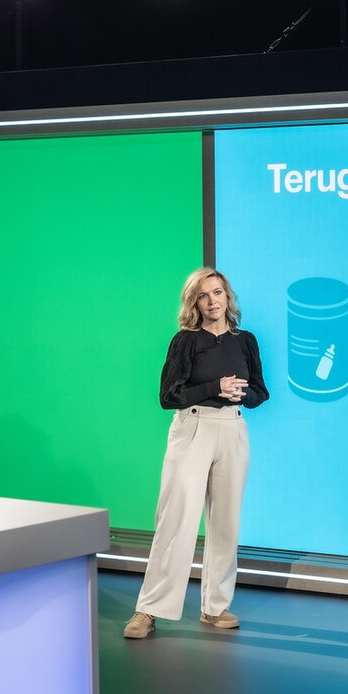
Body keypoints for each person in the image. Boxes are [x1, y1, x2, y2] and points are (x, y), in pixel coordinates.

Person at [124, 267, 269, 639]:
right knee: (176, 519)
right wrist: (214, 387)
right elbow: (168, 396)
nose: (212, 301)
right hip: (193, 426)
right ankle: (149, 610)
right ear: (195, 303)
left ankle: (215, 607)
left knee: (226, 523)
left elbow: (260, 393)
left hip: (232, 428)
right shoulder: (185, 341)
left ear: (227, 297)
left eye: (217, 293)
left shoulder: (245, 341)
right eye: (203, 296)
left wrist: (240, 393)